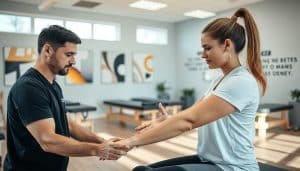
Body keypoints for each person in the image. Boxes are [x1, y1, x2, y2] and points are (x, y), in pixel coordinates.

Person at [115, 8, 267, 171]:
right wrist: (167, 120)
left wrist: (131, 142)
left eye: (208, 48)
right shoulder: (220, 80)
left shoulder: (241, 82)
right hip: (209, 159)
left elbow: (189, 121)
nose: (203, 55)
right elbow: (193, 113)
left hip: (233, 167)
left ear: (227, 45)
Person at [4, 25, 129, 171]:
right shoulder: (28, 88)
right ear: (48, 50)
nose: (74, 61)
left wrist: (103, 141)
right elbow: (47, 140)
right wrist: (97, 149)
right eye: (69, 54)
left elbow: (69, 125)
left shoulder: (54, 86)